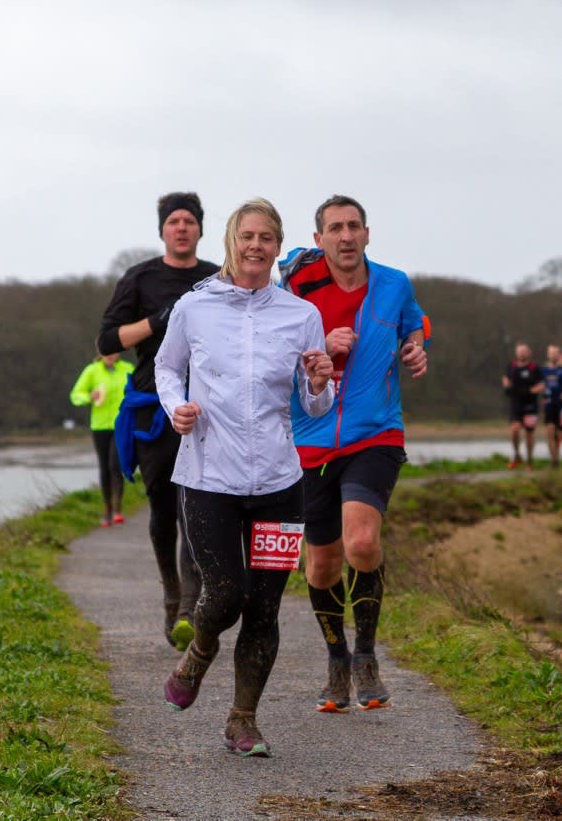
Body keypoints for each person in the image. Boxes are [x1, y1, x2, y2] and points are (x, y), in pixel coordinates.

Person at [156, 198, 335, 757]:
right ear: (231, 243)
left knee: (264, 608)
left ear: (278, 248)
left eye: (266, 237)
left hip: (281, 482)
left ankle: (242, 721)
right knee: (226, 596)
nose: (255, 246)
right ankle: (200, 651)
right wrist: (175, 406)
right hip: (209, 476)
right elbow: (166, 366)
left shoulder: (300, 315)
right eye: (246, 236)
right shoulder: (195, 306)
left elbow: (317, 406)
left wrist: (320, 380)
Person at [278, 194, 429, 714]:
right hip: (312, 438)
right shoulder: (297, 287)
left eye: (354, 226)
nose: (346, 236)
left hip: (375, 432)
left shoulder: (394, 284)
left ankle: (366, 654)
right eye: (335, 229)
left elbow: (416, 323)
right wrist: (319, 344)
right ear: (318, 239)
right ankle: (336, 660)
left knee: (361, 543)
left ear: (367, 233)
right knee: (321, 566)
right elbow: (272, 349)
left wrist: (415, 347)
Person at [98, 192, 218, 651]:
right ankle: (172, 594)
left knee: (196, 507)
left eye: (189, 221)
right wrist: (156, 321)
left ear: (200, 229)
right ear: (163, 230)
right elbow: (107, 340)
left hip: (207, 409)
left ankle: (190, 606)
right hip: (153, 408)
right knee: (164, 509)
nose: (182, 228)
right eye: (174, 222)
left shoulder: (215, 277)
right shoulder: (140, 277)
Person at [69, 351, 136, 526]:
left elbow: (137, 391)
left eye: (113, 351)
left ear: (119, 353)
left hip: (121, 425)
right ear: (100, 352)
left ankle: (117, 509)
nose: (110, 355)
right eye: (106, 351)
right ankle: (107, 510)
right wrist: (89, 397)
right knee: (104, 467)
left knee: (115, 464)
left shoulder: (128, 369)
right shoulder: (92, 370)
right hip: (99, 426)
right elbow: (76, 394)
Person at [502, 342, 544, 469]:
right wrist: (507, 387)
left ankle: (530, 461)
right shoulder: (512, 366)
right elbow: (505, 378)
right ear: (516, 353)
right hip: (516, 404)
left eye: (524, 351)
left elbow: (542, 385)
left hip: (530, 405)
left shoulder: (534, 368)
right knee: (514, 430)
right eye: (519, 351)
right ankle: (516, 455)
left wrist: (530, 391)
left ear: (529, 353)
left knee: (529, 433)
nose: (521, 353)